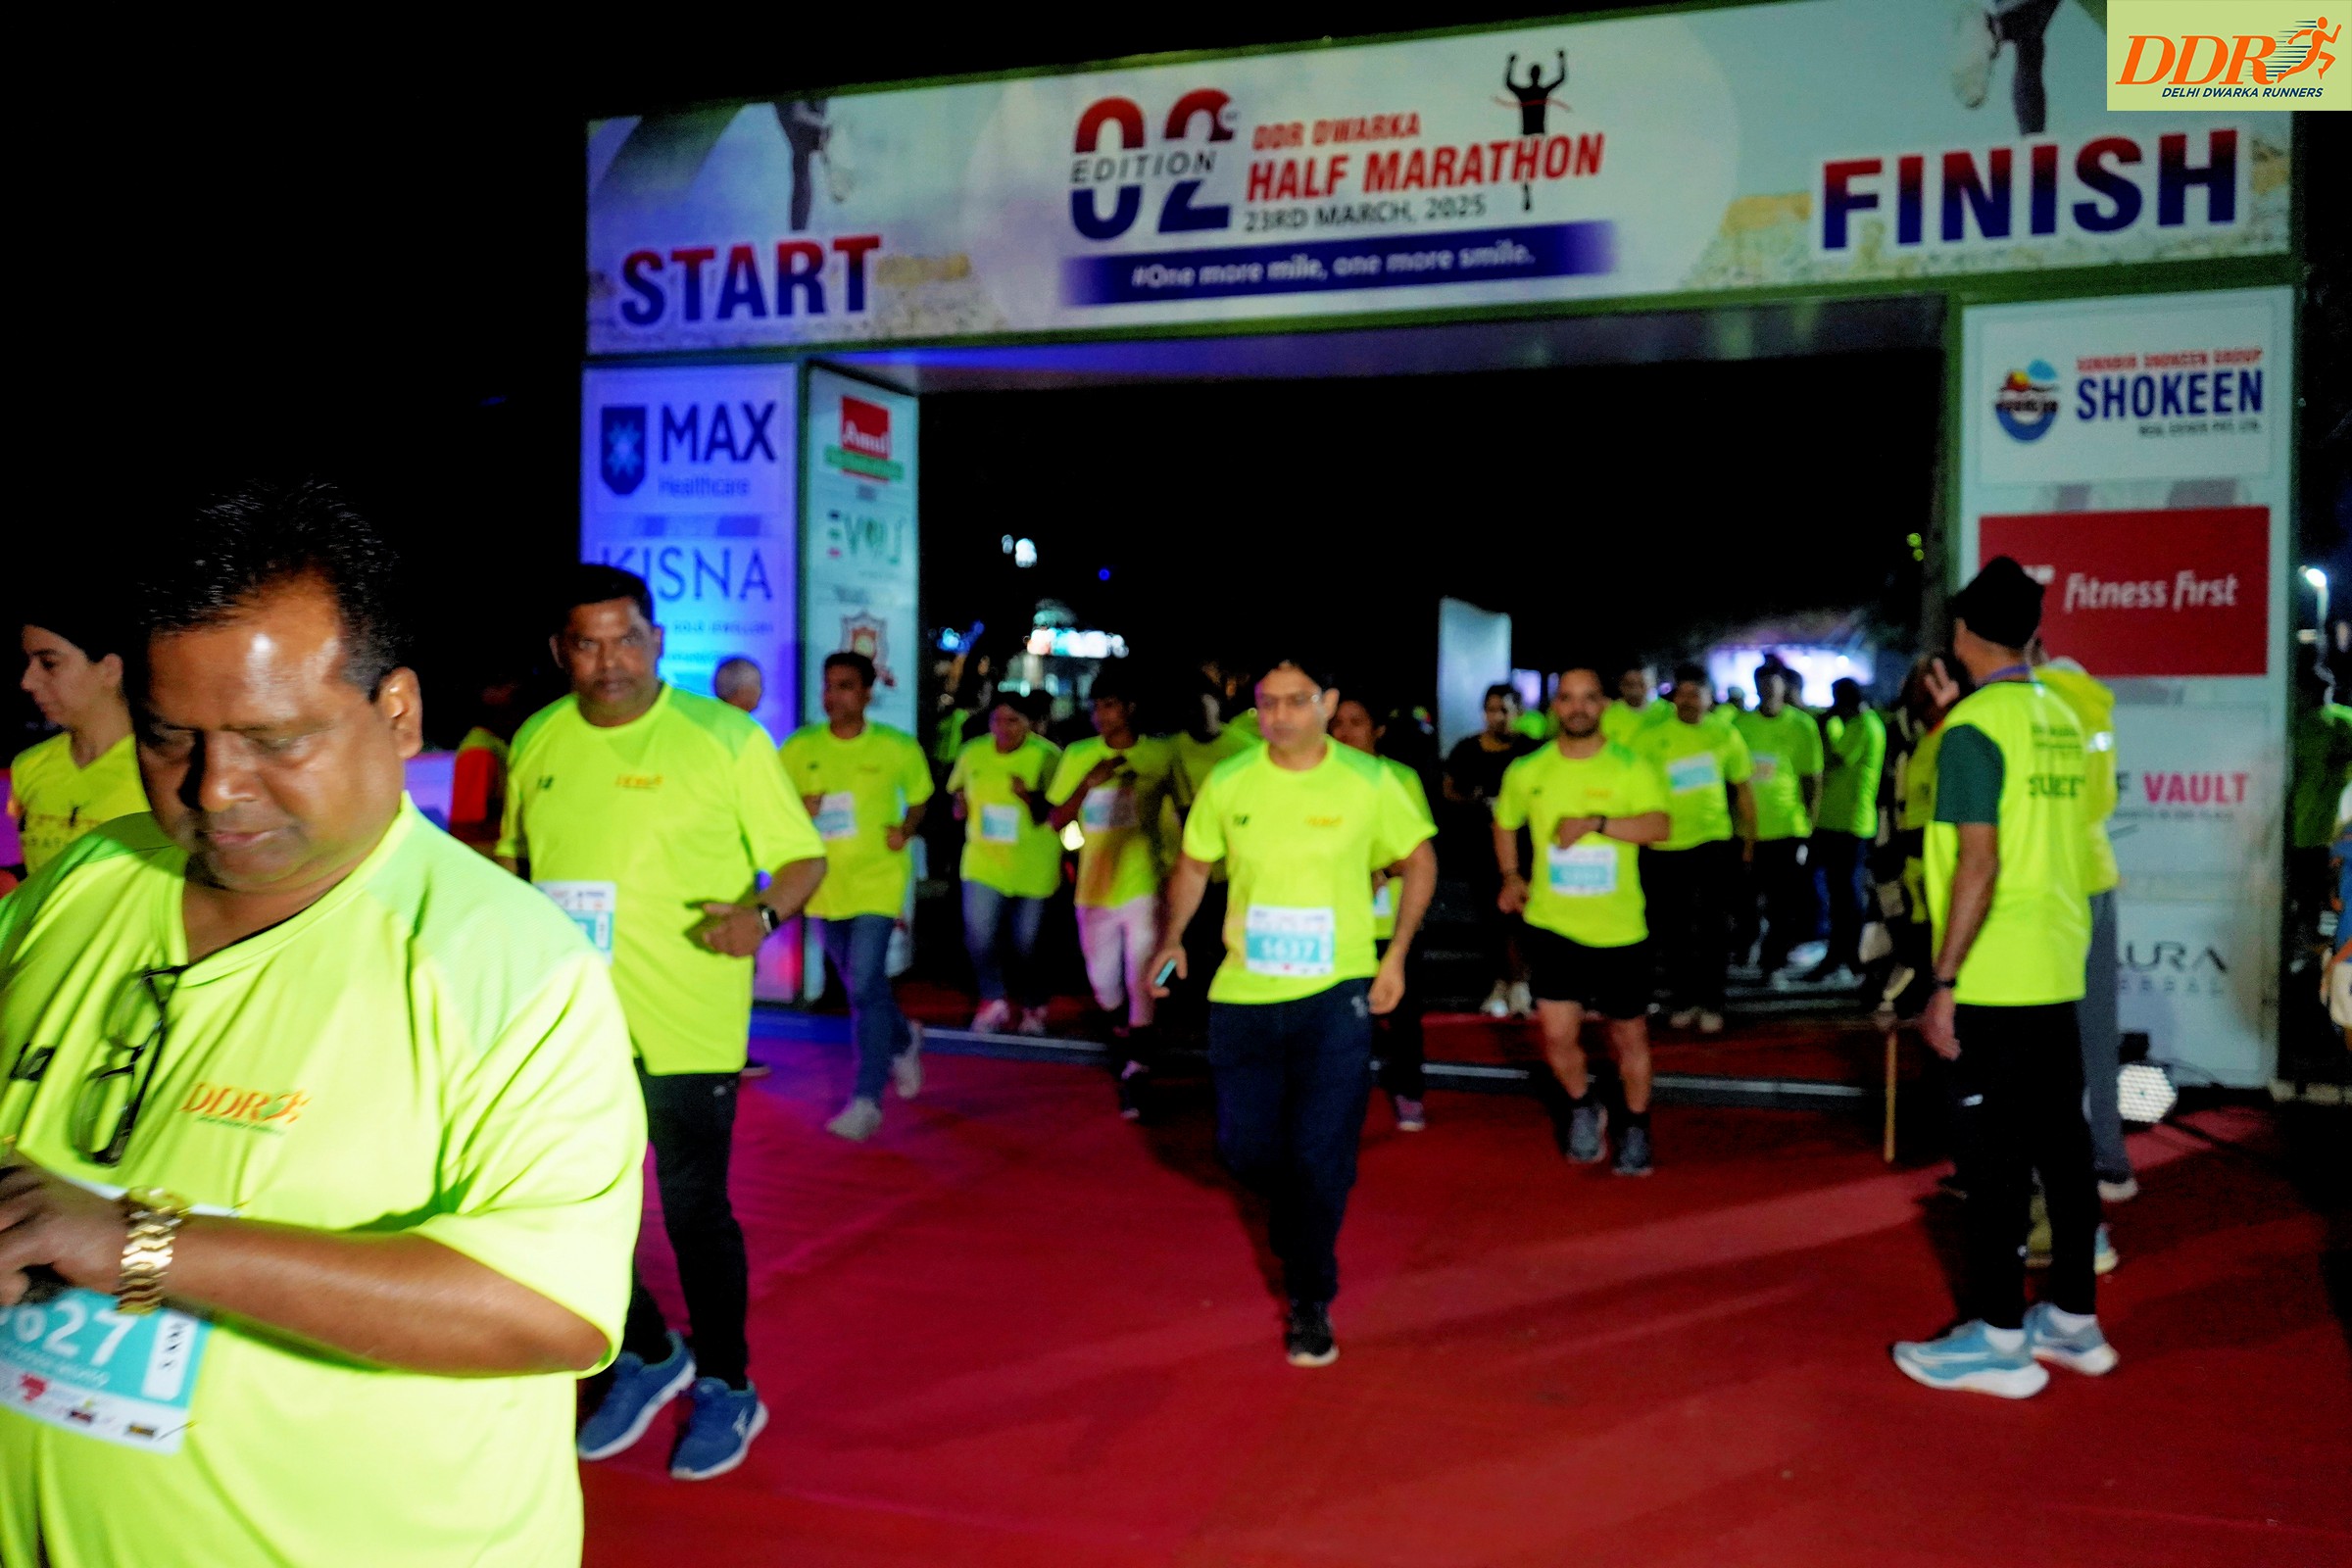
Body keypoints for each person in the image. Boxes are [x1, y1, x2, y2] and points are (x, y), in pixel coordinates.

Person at [0, 483, 646, 1565]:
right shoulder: (89, 880)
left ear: (398, 712)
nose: (216, 788)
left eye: (275, 739)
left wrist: (137, 1244)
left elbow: (548, 1308)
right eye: (170, 738)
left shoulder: (506, 964)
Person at [503, 563, 827, 1479]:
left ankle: (727, 1380)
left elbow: (802, 859)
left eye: (627, 640)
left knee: (692, 1209)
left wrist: (760, 916)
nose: (610, 662)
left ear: (659, 642)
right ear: (561, 651)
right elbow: (517, 866)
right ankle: (648, 1352)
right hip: (571, 1024)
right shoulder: (537, 738)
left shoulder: (724, 739)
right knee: (568, 1205)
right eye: (588, 644)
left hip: (688, 1021)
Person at [1147, 662, 1436, 1366]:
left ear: (1327, 703)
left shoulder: (1371, 781)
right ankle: (1303, 1201)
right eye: (1267, 703)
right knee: (1243, 1151)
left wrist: (1396, 955)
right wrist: (1172, 938)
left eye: (1296, 702)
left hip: (1335, 992)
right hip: (1243, 995)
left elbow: (1420, 861)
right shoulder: (1231, 780)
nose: (1279, 716)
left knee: (1316, 1153)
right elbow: (1194, 864)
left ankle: (1311, 1300)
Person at [1894, 557, 2114, 1397]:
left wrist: (1944, 981)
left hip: (1993, 975)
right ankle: (2074, 1321)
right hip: (2057, 960)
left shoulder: (1972, 730)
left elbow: (1977, 865)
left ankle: (1997, 1340)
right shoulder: (2060, 713)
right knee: (2063, 1148)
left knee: (1993, 1163)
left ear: (1961, 634)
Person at [1495, 666, 1673, 1174]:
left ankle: (1635, 1125)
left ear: (1604, 706)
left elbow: (1659, 826)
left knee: (1628, 1038)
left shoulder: (1631, 766)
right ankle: (1582, 1106)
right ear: (1555, 707)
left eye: (1589, 698)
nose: (1578, 708)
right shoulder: (1527, 770)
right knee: (1556, 1037)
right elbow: (1504, 823)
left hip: (1620, 929)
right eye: (1568, 699)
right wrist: (1511, 875)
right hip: (1553, 925)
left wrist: (1597, 823)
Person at [779, 652, 935, 1141]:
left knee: (865, 981)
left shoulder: (895, 746)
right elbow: (773, 808)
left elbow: (920, 796)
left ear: (867, 693)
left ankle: (866, 1099)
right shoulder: (800, 747)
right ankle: (902, 1037)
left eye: (845, 686)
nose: (833, 696)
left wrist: (905, 830)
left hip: (877, 882)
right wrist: (796, 807)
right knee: (859, 983)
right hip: (823, 884)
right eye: (828, 685)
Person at [1048, 665, 1180, 1118]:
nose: (1101, 715)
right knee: (1104, 984)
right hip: (1094, 889)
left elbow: (1186, 810)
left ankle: (1138, 1068)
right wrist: (1091, 782)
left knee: (1142, 976)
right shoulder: (1080, 754)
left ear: (1130, 708)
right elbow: (1056, 819)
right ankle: (1126, 1034)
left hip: (1144, 885)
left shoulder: (1160, 755)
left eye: (1109, 706)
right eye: (1096, 707)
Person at [2034, 641, 2132, 1202]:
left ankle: (2054, 1167)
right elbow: (2101, 798)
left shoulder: (2036, 703)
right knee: (2097, 1029)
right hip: (2096, 871)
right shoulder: (2094, 702)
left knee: (2044, 1034)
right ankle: (2111, 1162)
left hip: (2052, 880)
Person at [1333, 693, 1438, 1130]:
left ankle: (1408, 1089)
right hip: (1339, 922)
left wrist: (1380, 867)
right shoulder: (1321, 778)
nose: (1344, 732)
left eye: (1356, 722)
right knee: (1341, 1018)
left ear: (1377, 730)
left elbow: (1418, 852)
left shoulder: (1400, 777)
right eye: (1338, 723)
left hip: (1392, 919)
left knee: (1404, 1014)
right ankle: (1338, 1096)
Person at [1636, 662, 1755, 1033]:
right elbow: (1635, 790)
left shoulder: (1724, 734)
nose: (1687, 700)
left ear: (1709, 697)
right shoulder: (1651, 737)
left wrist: (1750, 839)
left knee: (1714, 926)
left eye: (1695, 693)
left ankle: (1713, 1002)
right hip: (1665, 846)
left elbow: (1743, 789)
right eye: (1682, 693)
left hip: (1712, 842)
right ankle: (1683, 1000)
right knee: (1673, 928)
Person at [946, 690, 1061, 1036]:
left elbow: (1057, 812)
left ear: (1029, 723)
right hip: (984, 861)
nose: (1004, 728)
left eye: (1013, 721)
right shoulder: (973, 752)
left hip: (1033, 863)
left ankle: (1033, 1005)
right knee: (979, 935)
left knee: (1027, 943)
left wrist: (1028, 796)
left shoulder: (1047, 756)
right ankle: (993, 999)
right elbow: (957, 796)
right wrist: (959, 806)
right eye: (998, 720)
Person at [9, 608, 148, 880]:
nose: (27, 682)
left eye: (49, 664)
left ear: (109, 669)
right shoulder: (29, 766)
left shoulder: (158, 768)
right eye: (28, 663)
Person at [1443, 683, 1540, 1017]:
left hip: (1525, 852)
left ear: (1519, 713)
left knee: (1522, 919)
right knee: (1491, 918)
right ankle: (1500, 982)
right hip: (1481, 851)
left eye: (1505, 710)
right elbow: (1449, 789)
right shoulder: (1467, 749)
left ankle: (1522, 984)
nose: (1497, 717)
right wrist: (1472, 800)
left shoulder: (1531, 751)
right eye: (1491, 710)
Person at [1733, 663, 1824, 983]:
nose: (1769, 692)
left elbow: (1813, 780)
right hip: (1748, 831)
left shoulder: (1802, 726)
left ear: (1784, 688)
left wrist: (1809, 825)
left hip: (1787, 829)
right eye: (1764, 686)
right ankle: (1746, 943)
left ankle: (1772, 964)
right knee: (1745, 900)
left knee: (1782, 904)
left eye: (1774, 686)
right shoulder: (1740, 725)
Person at [1808, 677, 1886, 986]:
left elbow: (1837, 757)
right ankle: (1839, 954)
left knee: (1847, 896)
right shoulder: (1858, 724)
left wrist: (1825, 727)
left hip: (1851, 823)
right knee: (1838, 894)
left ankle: (1850, 956)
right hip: (1835, 821)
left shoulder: (1864, 725)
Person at [2287, 661, 2352, 939]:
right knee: (2309, 890)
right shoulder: (2337, 722)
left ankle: (2306, 934)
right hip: (2314, 826)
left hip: (2312, 827)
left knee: (2307, 889)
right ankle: (2307, 933)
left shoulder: (2327, 723)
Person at [446, 674, 522, 856]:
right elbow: (466, 824)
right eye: (514, 704)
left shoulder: (494, 744)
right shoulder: (479, 750)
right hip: (486, 856)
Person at [1601, 662, 1673, 746]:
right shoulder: (1609, 715)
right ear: (1621, 687)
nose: (1636, 690)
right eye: (1630, 685)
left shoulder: (1665, 710)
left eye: (1640, 684)